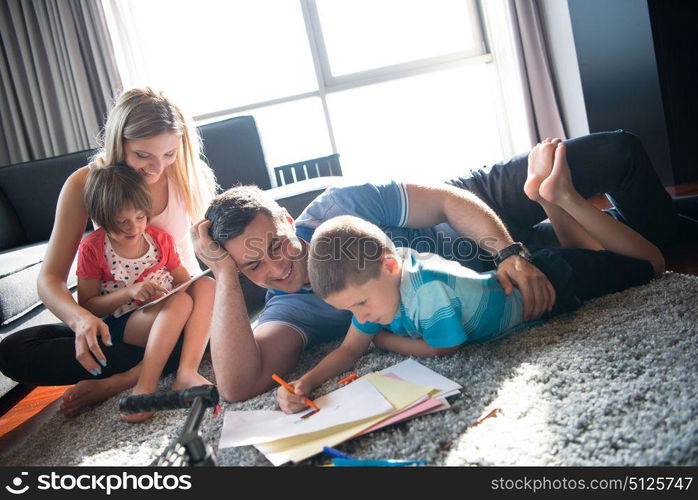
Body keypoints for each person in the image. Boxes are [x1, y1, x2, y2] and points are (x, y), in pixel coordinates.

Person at [192, 130, 681, 404]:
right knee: (645, 249)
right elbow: (235, 386)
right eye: (252, 266)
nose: (276, 268)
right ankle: (612, 220)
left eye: (277, 245)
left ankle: (561, 204)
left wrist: (511, 253)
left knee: (620, 152)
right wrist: (224, 274)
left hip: (483, 212)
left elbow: (449, 202)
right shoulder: (290, 309)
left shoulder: (340, 207)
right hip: (500, 276)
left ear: (288, 219)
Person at [0, 88, 217, 417]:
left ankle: (122, 380)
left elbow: (206, 255)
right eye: (144, 155)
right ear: (120, 142)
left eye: (169, 154)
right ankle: (168, 358)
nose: (157, 168)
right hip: (121, 318)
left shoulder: (186, 174)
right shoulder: (86, 183)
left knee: (214, 304)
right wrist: (81, 320)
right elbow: (50, 279)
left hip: (181, 307)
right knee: (14, 351)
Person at [78, 165, 212, 422]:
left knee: (206, 285)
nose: (134, 228)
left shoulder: (159, 239)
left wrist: (168, 295)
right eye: (122, 222)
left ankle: (186, 371)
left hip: (165, 312)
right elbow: (88, 306)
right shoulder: (93, 248)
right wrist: (130, 292)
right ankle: (145, 388)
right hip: (125, 321)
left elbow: (184, 281)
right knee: (181, 302)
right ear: (102, 217)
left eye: (140, 217)